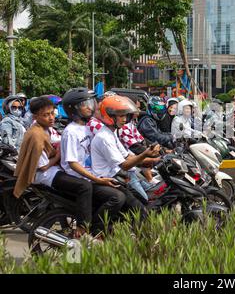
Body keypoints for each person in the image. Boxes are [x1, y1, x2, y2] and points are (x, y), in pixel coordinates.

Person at [14, 96, 98, 237]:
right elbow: (43, 167)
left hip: (53, 170)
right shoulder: (36, 135)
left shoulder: (46, 129)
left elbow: (56, 140)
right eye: (46, 115)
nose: (51, 117)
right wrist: (59, 155)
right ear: (35, 116)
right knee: (85, 186)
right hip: (44, 175)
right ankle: (83, 227)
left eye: (52, 113)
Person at [61, 88, 127, 232]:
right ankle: (95, 230)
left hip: (93, 175)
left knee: (124, 191)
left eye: (90, 103)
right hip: (81, 177)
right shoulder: (71, 132)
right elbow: (72, 163)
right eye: (85, 104)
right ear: (74, 109)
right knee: (117, 197)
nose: (90, 107)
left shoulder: (86, 128)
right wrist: (97, 180)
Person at [91, 95, 160, 205]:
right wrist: (146, 155)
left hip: (121, 176)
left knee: (150, 197)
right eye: (121, 116)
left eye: (126, 116)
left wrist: (151, 158)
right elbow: (125, 165)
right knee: (141, 207)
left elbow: (128, 156)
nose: (124, 119)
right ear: (110, 116)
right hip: (109, 179)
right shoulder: (104, 137)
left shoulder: (111, 133)